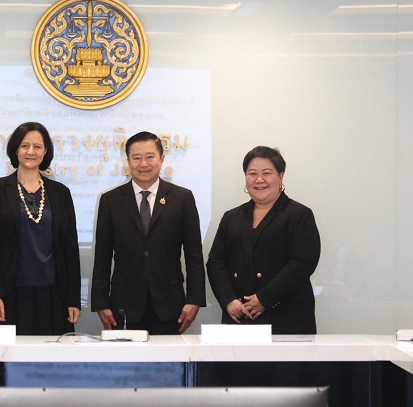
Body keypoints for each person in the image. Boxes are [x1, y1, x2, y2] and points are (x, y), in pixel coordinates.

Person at [91, 131, 206, 335]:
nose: (143, 163)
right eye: (136, 158)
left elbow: (194, 255)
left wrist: (194, 299)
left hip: (170, 304)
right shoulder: (110, 201)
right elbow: (102, 257)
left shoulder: (182, 198)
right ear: (128, 161)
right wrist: (101, 302)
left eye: (150, 157)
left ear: (161, 159)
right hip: (123, 304)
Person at [206, 146, 321, 334]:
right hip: (239, 316)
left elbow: (302, 264)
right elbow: (215, 263)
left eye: (267, 173)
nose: (259, 179)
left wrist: (264, 298)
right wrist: (229, 300)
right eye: (252, 174)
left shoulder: (299, 215)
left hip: (286, 317)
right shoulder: (231, 217)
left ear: (281, 176)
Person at [0, 122, 81, 335]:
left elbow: (70, 249)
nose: (31, 152)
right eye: (24, 145)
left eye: (37, 146)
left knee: (52, 355)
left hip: (54, 296)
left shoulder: (61, 193)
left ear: (45, 151)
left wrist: (73, 299)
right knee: (8, 355)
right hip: (10, 295)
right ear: (15, 149)